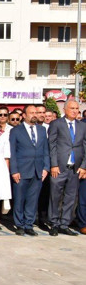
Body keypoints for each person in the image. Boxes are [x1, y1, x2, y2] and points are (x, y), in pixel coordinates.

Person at [9, 104, 50, 236]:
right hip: (21, 170)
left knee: (33, 200)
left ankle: (29, 224)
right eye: (31, 112)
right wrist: (14, 170)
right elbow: (12, 152)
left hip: (38, 170)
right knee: (19, 199)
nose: (34, 115)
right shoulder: (16, 131)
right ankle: (19, 224)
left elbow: (46, 150)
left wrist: (46, 168)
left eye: (36, 113)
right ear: (24, 115)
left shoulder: (42, 130)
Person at [47, 99, 86, 236]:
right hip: (59, 167)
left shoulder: (82, 126)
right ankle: (54, 224)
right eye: (72, 108)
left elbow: (85, 146)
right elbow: (51, 145)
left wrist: (84, 166)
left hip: (75, 168)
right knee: (55, 196)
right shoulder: (56, 124)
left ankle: (64, 224)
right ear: (65, 109)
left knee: (71, 197)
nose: (75, 111)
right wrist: (54, 164)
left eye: (77, 108)